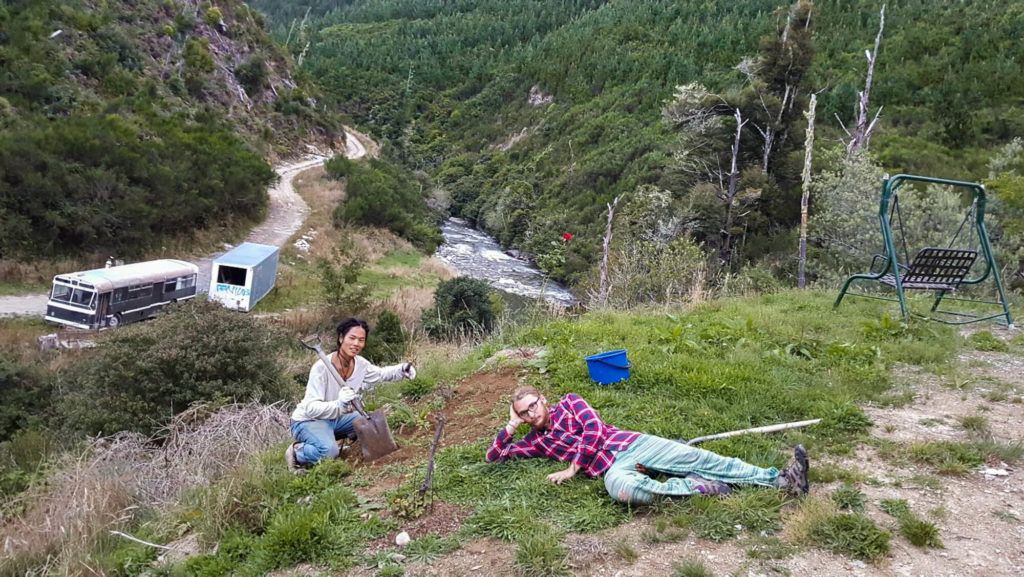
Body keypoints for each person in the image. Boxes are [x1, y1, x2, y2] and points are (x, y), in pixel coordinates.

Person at [485, 386, 809, 504]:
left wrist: (572, 468)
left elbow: (594, 430)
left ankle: (781, 479)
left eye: (533, 405)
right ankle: (697, 488)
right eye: (524, 412)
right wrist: (511, 426)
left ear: (543, 399)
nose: (531, 413)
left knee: (699, 455)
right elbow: (495, 457)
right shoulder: (536, 441)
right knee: (626, 491)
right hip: (610, 469)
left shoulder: (570, 402)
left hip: (630, 444)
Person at [286, 318, 416, 470]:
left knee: (363, 419)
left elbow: (380, 374)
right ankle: (297, 452)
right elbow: (311, 408)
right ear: (341, 338)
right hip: (309, 421)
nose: (356, 344)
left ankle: (337, 441)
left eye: (361, 340)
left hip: (335, 419)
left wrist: (402, 370)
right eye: (352, 338)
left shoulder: (361, 365)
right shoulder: (321, 368)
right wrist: (339, 404)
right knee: (329, 452)